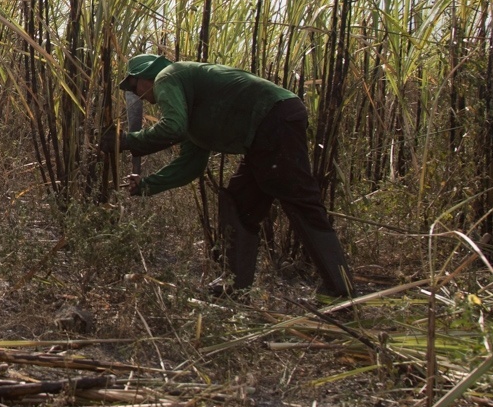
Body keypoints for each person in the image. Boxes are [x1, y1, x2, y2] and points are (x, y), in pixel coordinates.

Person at [106, 53, 354, 298]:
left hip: (274, 117)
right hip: (264, 132)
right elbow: (190, 165)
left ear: (146, 75)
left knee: (299, 199)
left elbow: (172, 127)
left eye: (134, 86)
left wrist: (126, 141)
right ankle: (234, 286)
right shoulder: (189, 105)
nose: (138, 95)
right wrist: (147, 185)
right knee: (239, 203)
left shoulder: (167, 76)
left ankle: (341, 288)